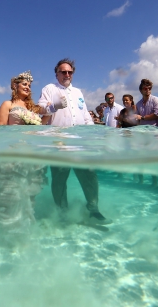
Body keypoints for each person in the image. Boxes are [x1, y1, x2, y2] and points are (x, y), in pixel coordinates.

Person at [0, 71, 48, 232]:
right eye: (24, 84)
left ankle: (26, 226)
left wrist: (52, 109)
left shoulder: (32, 108)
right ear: (15, 86)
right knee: (11, 194)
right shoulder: (7, 104)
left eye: (29, 86)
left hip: (31, 155)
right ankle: (9, 232)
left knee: (30, 193)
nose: (28, 87)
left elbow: (43, 126)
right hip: (12, 153)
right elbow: (1, 129)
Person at [39, 59, 108, 223]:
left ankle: (93, 209)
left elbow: (85, 115)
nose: (67, 75)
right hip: (58, 141)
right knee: (59, 179)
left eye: (70, 72)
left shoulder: (78, 92)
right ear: (57, 73)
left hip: (80, 142)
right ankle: (62, 213)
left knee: (89, 174)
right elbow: (41, 108)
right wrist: (55, 105)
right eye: (63, 72)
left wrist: (91, 135)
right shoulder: (50, 88)